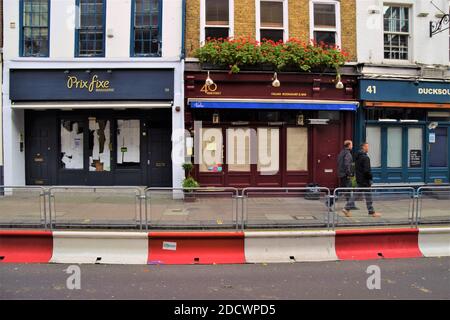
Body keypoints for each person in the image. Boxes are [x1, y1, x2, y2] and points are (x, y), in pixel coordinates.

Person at [354, 142, 381, 217]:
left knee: (356, 195)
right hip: (365, 180)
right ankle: (371, 212)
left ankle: (346, 208)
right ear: (363, 147)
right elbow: (366, 171)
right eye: (367, 147)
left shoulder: (357, 156)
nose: (368, 148)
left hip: (360, 179)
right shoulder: (365, 158)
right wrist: (370, 178)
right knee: (368, 196)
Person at [337, 140, 356, 215]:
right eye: (351, 144)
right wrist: (349, 174)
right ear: (349, 145)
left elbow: (338, 162)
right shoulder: (348, 154)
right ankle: (330, 202)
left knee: (346, 190)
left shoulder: (341, 152)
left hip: (341, 174)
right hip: (345, 175)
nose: (352, 146)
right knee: (344, 190)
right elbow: (347, 164)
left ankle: (350, 205)